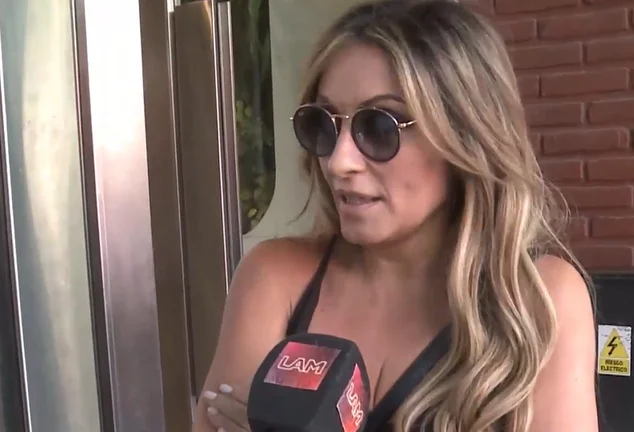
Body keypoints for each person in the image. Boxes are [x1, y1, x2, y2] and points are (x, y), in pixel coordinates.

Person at [193, 0, 598, 431]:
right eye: (324, 124)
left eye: (379, 127)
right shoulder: (274, 277)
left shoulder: (538, 297)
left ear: (465, 137)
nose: (339, 162)